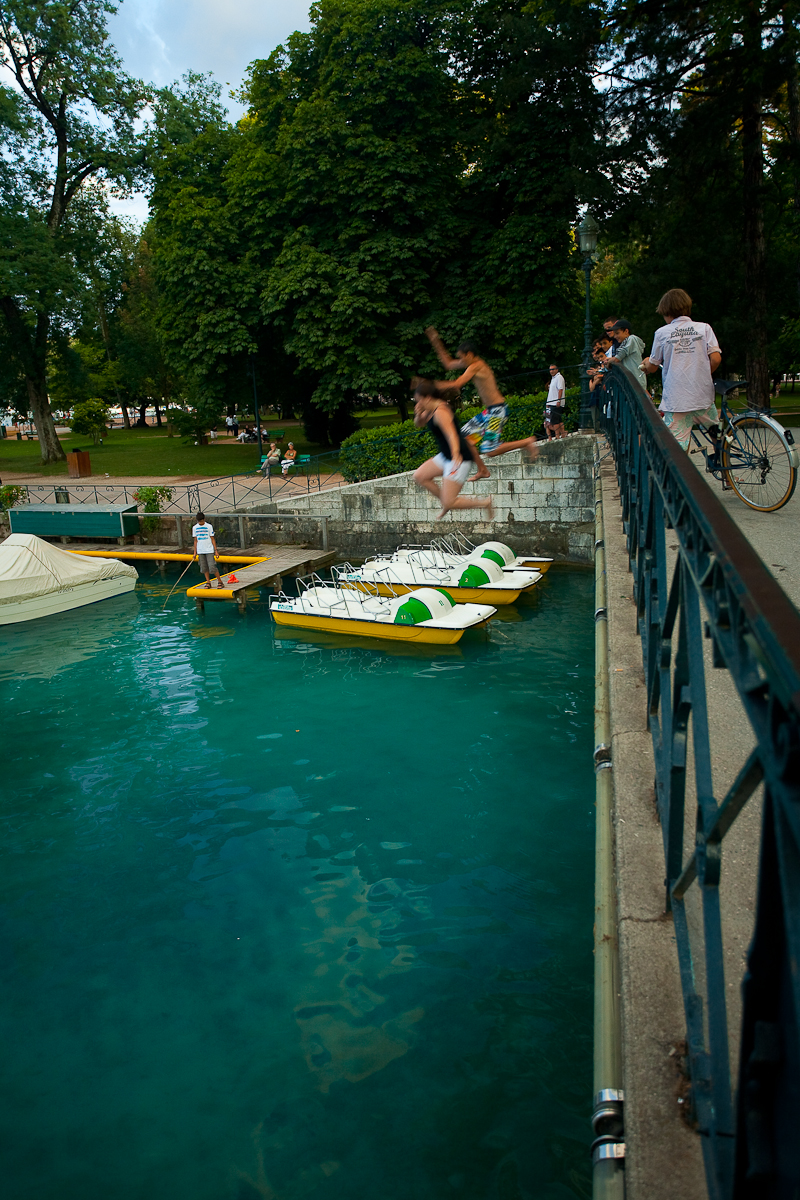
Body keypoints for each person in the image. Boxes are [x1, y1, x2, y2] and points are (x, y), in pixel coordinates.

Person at [641, 289, 722, 454]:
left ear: (666, 312)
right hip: (703, 395)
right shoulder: (704, 328)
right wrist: (703, 374)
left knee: (677, 448)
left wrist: (646, 363)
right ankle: (724, 469)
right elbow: (716, 359)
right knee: (715, 431)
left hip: (678, 400)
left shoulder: (662, 333)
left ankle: (682, 478)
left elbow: (653, 365)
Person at [412, 380, 494, 520]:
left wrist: (456, 453)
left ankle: (484, 503)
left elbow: (452, 435)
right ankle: (445, 502)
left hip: (458, 458)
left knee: (450, 501)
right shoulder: (429, 410)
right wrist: (419, 414)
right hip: (445, 456)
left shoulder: (441, 412)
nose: (418, 404)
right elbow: (418, 424)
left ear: (428, 398)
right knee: (420, 476)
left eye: (419, 400)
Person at [602, 319, 645, 387]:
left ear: (626, 331)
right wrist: (609, 360)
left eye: (617, 333)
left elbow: (617, 358)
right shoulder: (625, 342)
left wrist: (609, 360)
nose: (615, 336)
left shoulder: (632, 339)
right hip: (629, 382)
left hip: (635, 381)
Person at [192, 511, 223, 589]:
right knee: (204, 567)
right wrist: (195, 552)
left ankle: (220, 581)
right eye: (199, 521)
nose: (201, 522)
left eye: (202, 521)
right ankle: (208, 582)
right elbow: (195, 540)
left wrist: (216, 551)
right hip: (200, 550)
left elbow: (212, 538)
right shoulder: (195, 528)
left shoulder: (209, 526)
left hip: (209, 550)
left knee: (212, 566)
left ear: (204, 519)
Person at [544, 364, 566, 439]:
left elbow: (560, 389)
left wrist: (558, 400)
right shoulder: (553, 378)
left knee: (555, 421)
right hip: (552, 403)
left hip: (555, 402)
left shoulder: (559, 377)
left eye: (553, 369)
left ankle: (557, 435)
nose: (551, 371)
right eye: (550, 370)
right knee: (558, 420)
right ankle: (562, 434)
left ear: (557, 369)